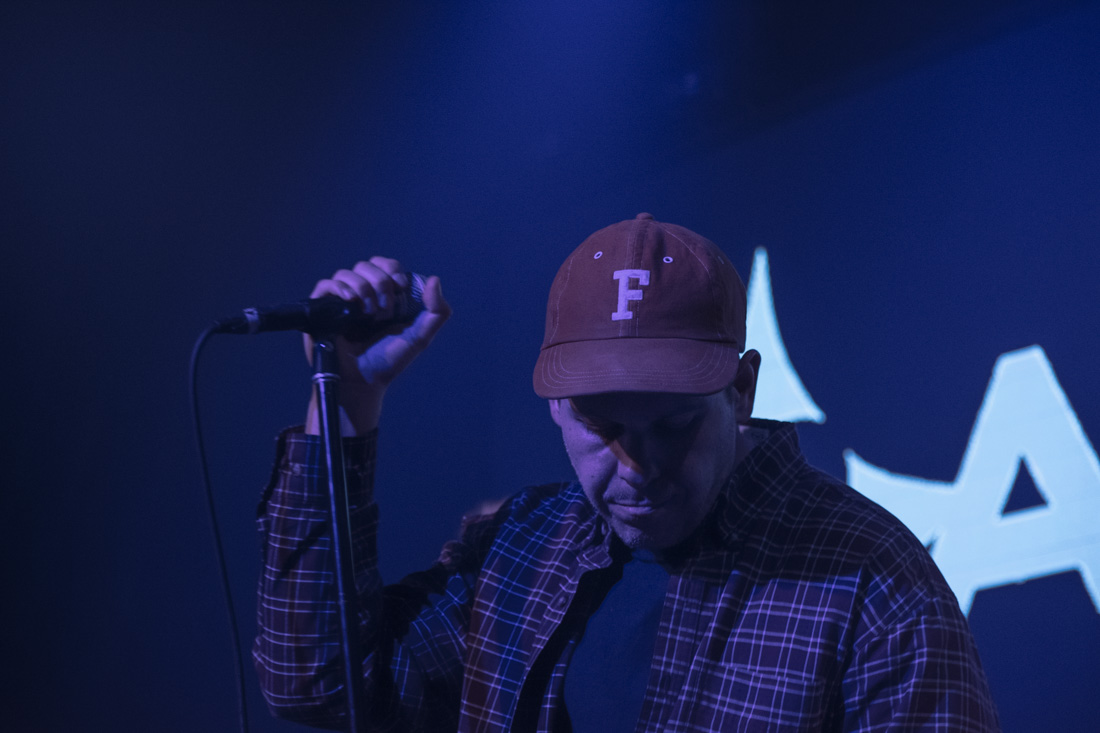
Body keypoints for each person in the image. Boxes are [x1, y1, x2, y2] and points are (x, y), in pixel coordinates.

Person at [254, 214, 1001, 732]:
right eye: (602, 427)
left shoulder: (872, 581)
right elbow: (317, 680)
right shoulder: (519, 547)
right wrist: (346, 403)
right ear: (552, 403)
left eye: (673, 426)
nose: (637, 465)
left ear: (740, 390)